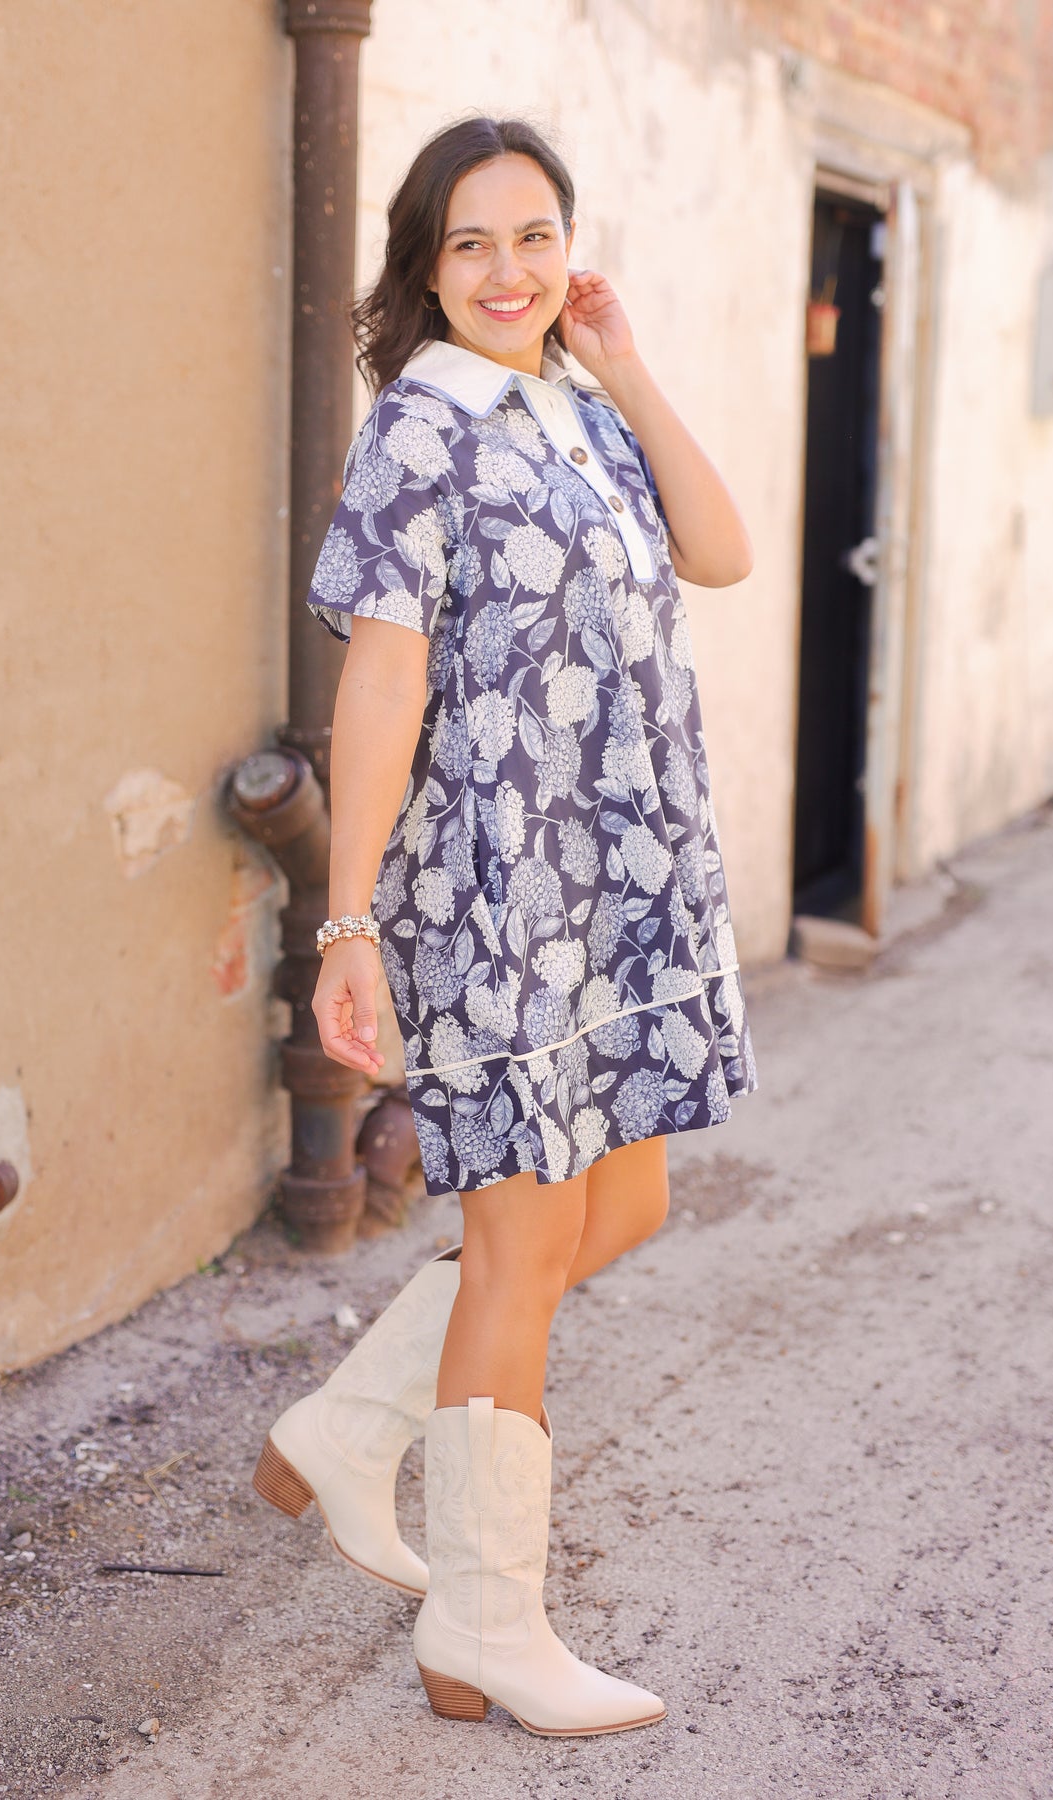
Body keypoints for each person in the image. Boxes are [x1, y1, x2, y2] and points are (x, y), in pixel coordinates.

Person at [253, 115, 757, 1739]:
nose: (505, 269)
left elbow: (724, 552)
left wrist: (622, 363)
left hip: (629, 883)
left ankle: (350, 1424)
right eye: (468, 243)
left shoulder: (579, 409)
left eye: (532, 235)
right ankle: (487, 1626)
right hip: (502, 895)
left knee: (627, 1205)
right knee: (525, 1243)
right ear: (424, 266)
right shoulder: (422, 430)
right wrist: (349, 925)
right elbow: (384, 679)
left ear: (568, 250)